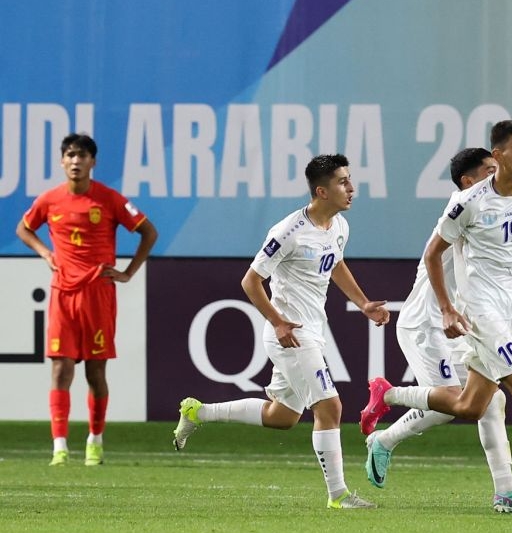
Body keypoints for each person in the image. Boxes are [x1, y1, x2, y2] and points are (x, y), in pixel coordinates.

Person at [358, 121, 512, 519]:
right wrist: (450, 308)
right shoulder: (465, 205)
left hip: (485, 314)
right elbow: (446, 248)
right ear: (483, 169)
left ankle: (392, 400)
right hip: (441, 318)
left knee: (475, 404)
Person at [171, 154, 389, 510]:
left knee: (282, 417)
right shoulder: (288, 231)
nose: (352, 189)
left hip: (312, 331)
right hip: (290, 334)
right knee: (330, 407)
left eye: (350, 180)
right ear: (321, 190)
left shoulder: (338, 228)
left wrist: (363, 303)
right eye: (342, 182)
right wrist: (277, 320)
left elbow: (335, 264)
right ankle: (339, 496)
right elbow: (251, 280)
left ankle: (198, 412)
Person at [16, 133, 158, 467]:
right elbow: (23, 228)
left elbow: (148, 231)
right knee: (60, 369)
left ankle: (95, 441)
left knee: (95, 372)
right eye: (70, 155)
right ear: (62, 161)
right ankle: (60, 447)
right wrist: (44, 252)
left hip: (97, 292)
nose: (75, 161)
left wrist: (128, 272)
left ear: (92, 162)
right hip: (63, 292)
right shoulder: (49, 200)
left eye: (82, 156)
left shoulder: (109, 199)